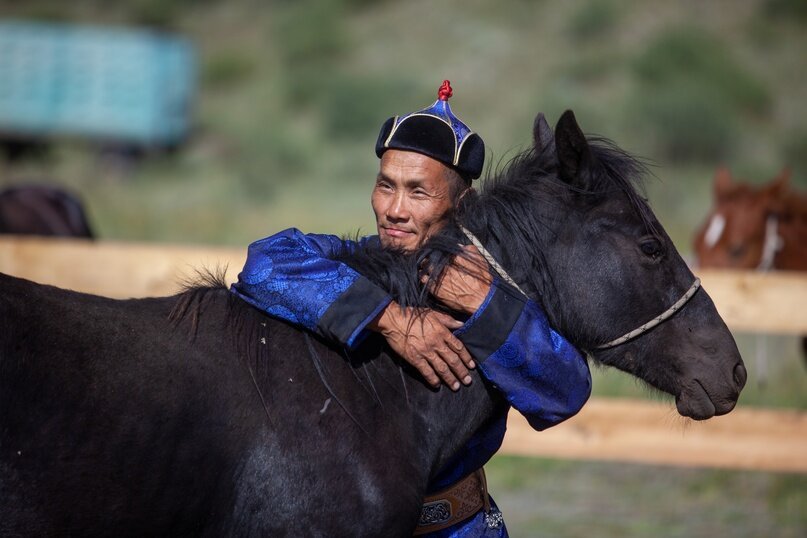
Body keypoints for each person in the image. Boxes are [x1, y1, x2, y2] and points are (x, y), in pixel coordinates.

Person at [231, 81, 591, 537]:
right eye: (386, 186)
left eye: (418, 192)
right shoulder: (353, 260)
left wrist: (483, 306)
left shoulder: (493, 289)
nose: (394, 210)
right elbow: (263, 265)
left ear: (462, 205)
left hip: (462, 526)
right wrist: (391, 319)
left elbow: (565, 391)